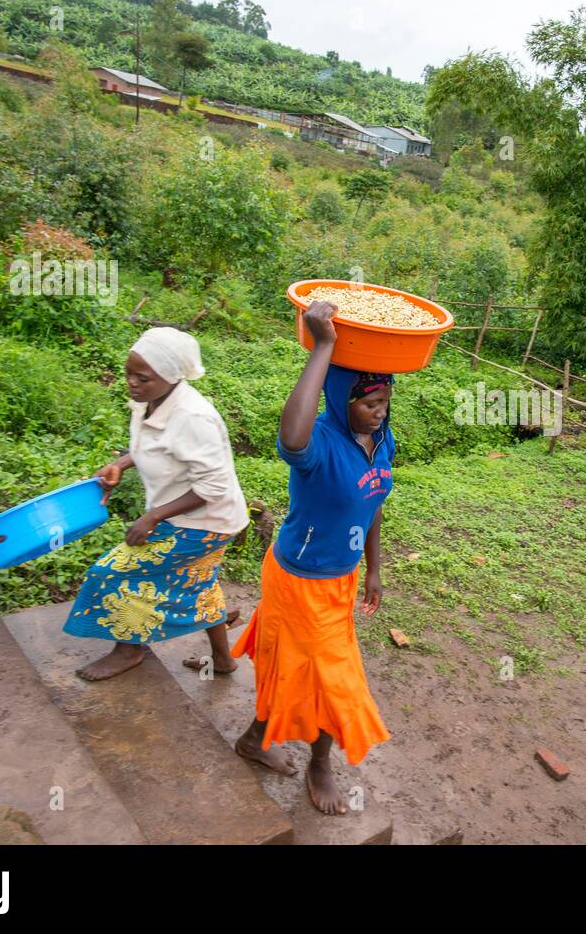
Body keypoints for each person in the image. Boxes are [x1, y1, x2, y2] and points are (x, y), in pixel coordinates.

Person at [229, 299, 393, 815]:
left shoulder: (381, 440)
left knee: (293, 664)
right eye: (369, 403)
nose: (379, 411)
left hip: (339, 580)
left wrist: (374, 567)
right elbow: (290, 438)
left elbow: (375, 503)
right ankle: (320, 765)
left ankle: (255, 738)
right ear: (339, 399)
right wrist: (323, 343)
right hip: (298, 578)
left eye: (386, 401)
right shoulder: (320, 441)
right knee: (331, 679)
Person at [63, 326, 249, 681]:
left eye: (142, 377)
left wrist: (153, 516)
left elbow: (212, 486)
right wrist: (120, 464)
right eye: (128, 373)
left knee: (111, 573)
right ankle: (222, 660)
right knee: (200, 584)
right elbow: (149, 443)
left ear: (171, 375)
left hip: (206, 522)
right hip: (196, 518)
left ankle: (129, 650)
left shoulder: (194, 418)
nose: (132, 382)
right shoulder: (150, 399)